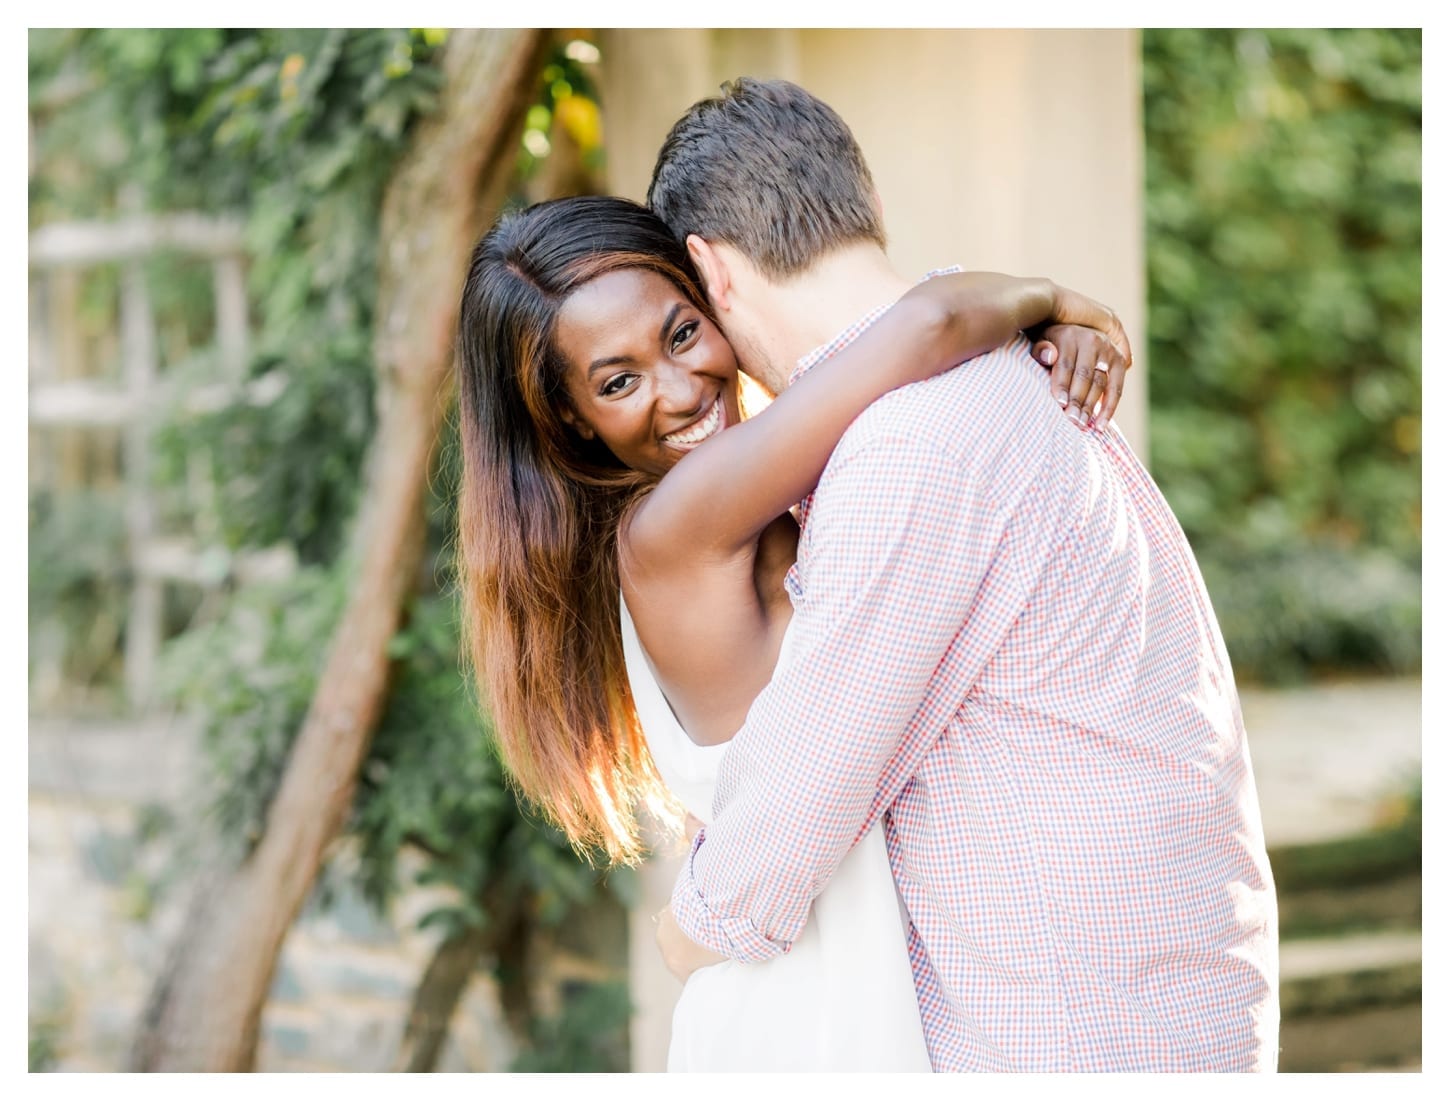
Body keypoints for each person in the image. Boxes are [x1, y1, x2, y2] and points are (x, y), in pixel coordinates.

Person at [645, 77, 1280, 1072]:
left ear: (709, 271)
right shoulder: (1007, 372)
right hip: (1150, 1001)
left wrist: (685, 929)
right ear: (868, 209)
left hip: (1081, 1033)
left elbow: (792, 809)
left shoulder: (910, 446)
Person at [456, 193, 1131, 1070]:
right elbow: (925, 325)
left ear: (715, 299)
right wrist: (1063, 303)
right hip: (797, 1013)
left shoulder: (776, 488)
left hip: (848, 970)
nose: (678, 389)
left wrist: (1033, 342)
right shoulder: (675, 527)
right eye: (617, 381)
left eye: (683, 333)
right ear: (573, 418)